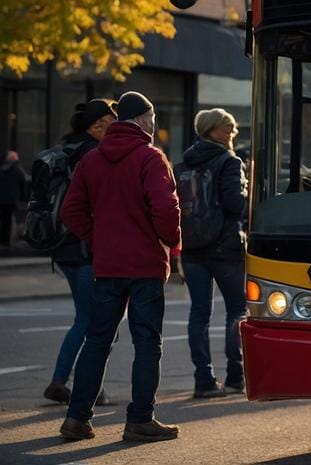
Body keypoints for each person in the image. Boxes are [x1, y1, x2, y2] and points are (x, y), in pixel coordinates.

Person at [58, 91, 182, 443]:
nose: (155, 126)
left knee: (97, 341)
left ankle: (76, 417)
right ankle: (140, 419)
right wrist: (167, 241)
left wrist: (98, 240)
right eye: (153, 119)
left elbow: (71, 211)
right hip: (144, 266)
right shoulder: (150, 157)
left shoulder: (92, 160)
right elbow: (166, 209)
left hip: (107, 266)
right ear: (143, 120)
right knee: (147, 344)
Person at [43, 100, 118, 407]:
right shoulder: (93, 155)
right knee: (94, 321)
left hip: (63, 249)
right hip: (85, 250)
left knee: (84, 318)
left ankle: (65, 381)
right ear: (97, 126)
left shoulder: (66, 150)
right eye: (112, 124)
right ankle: (81, 384)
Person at [177, 108, 248, 399]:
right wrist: (247, 189)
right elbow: (235, 205)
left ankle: (203, 379)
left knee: (199, 313)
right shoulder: (229, 161)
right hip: (225, 248)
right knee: (237, 310)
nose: (232, 132)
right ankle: (235, 376)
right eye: (226, 127)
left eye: (232, 127)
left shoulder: (183, 163)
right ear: (210, 130)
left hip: (192, 249)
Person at [0, 150, 28, 246]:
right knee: (8, 220)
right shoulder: (17, 170)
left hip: (5, 198)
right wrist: (22, 198)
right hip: (11, 199)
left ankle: (4, 240)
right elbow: (22, 184)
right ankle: (6, 241)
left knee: (5, 220)